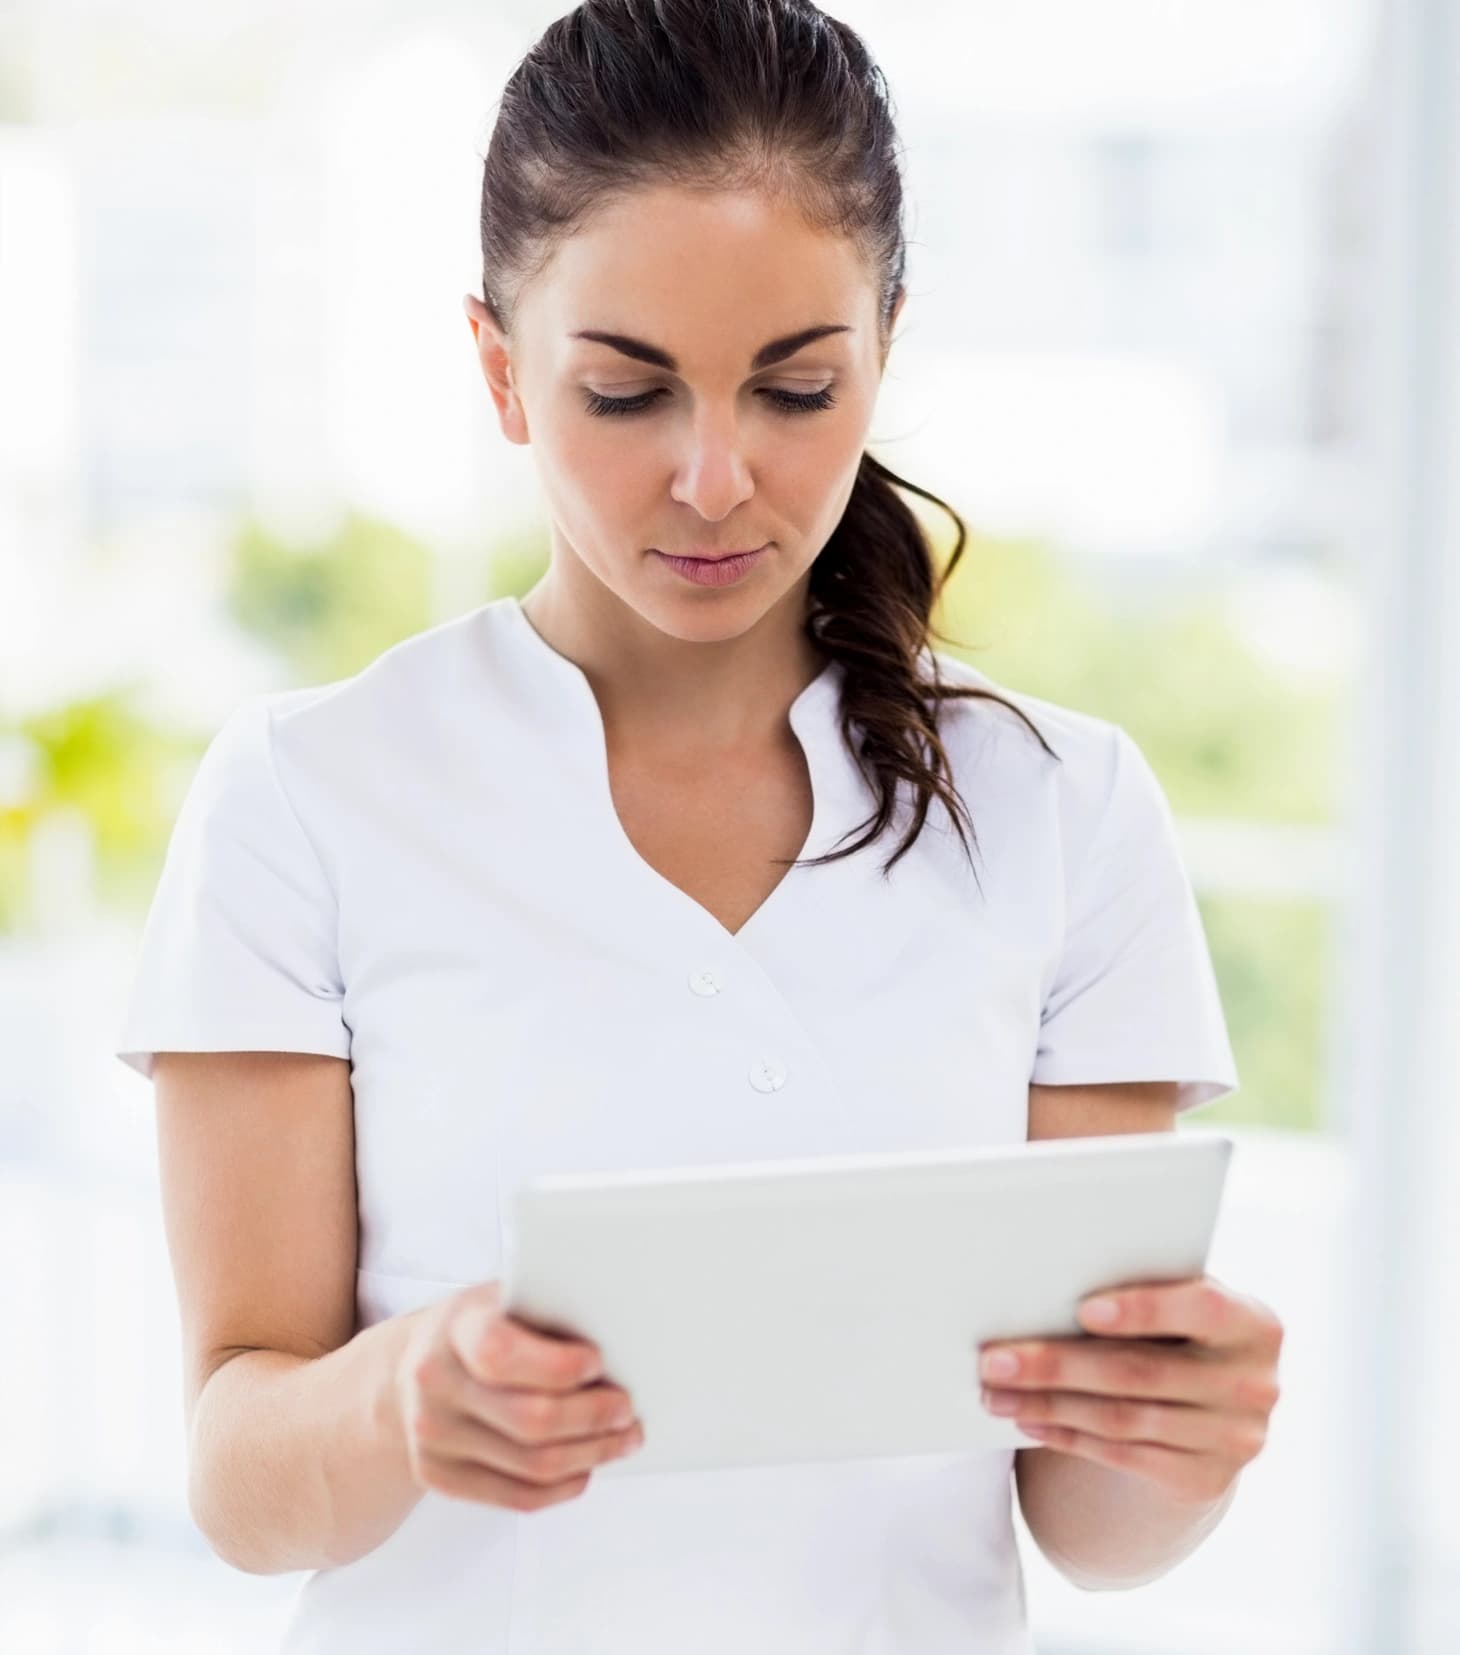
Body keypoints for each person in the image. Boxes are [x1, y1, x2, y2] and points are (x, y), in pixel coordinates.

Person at [114, 1, 1278, 1650]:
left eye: (797, 388)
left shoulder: (1063, 811)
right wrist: (397, 1403)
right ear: (503, 370)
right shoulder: (313, 794)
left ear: (885, 346)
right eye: (627, 392)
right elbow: (241, 1471)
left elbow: (1088, 1520)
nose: (718, 478)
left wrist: (1185, 1444)